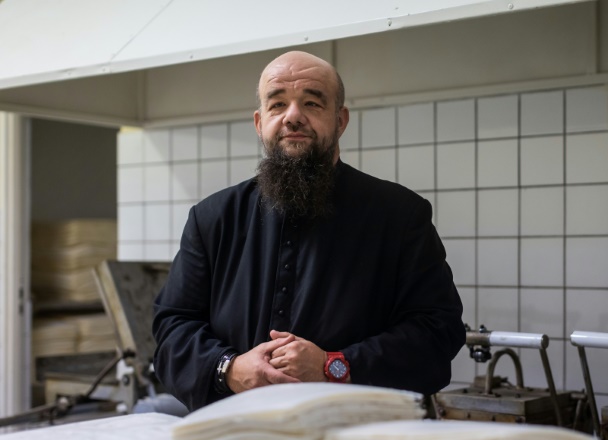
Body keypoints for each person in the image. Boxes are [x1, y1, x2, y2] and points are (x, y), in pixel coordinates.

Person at [152, 51, 464, 412]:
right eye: (277, 104)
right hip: (239, 431)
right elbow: (172, 328)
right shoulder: (212, 218)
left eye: (312, 103)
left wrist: (334, 367)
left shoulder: (400, 215)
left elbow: (438, 330)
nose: (293, 116)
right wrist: (231, 368)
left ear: (340, 120)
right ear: (259, 123)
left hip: (363, 432)